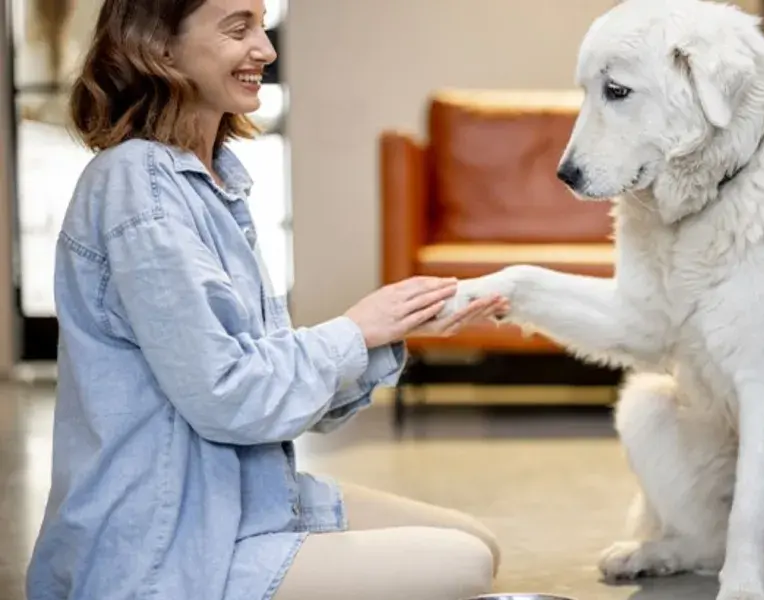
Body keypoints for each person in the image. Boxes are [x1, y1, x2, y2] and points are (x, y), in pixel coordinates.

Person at [25, 1, 507, 599]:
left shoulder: (210, 182)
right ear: (160, 46)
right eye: (238, 28)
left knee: (477, 543)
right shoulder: (137, 187)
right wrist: (356, 331)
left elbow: (282, 398)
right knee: (462, 563)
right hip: (165, 546)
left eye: (260, 24)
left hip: (239, 498)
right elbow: (230, 396)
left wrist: (397, 329)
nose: (266, 49)